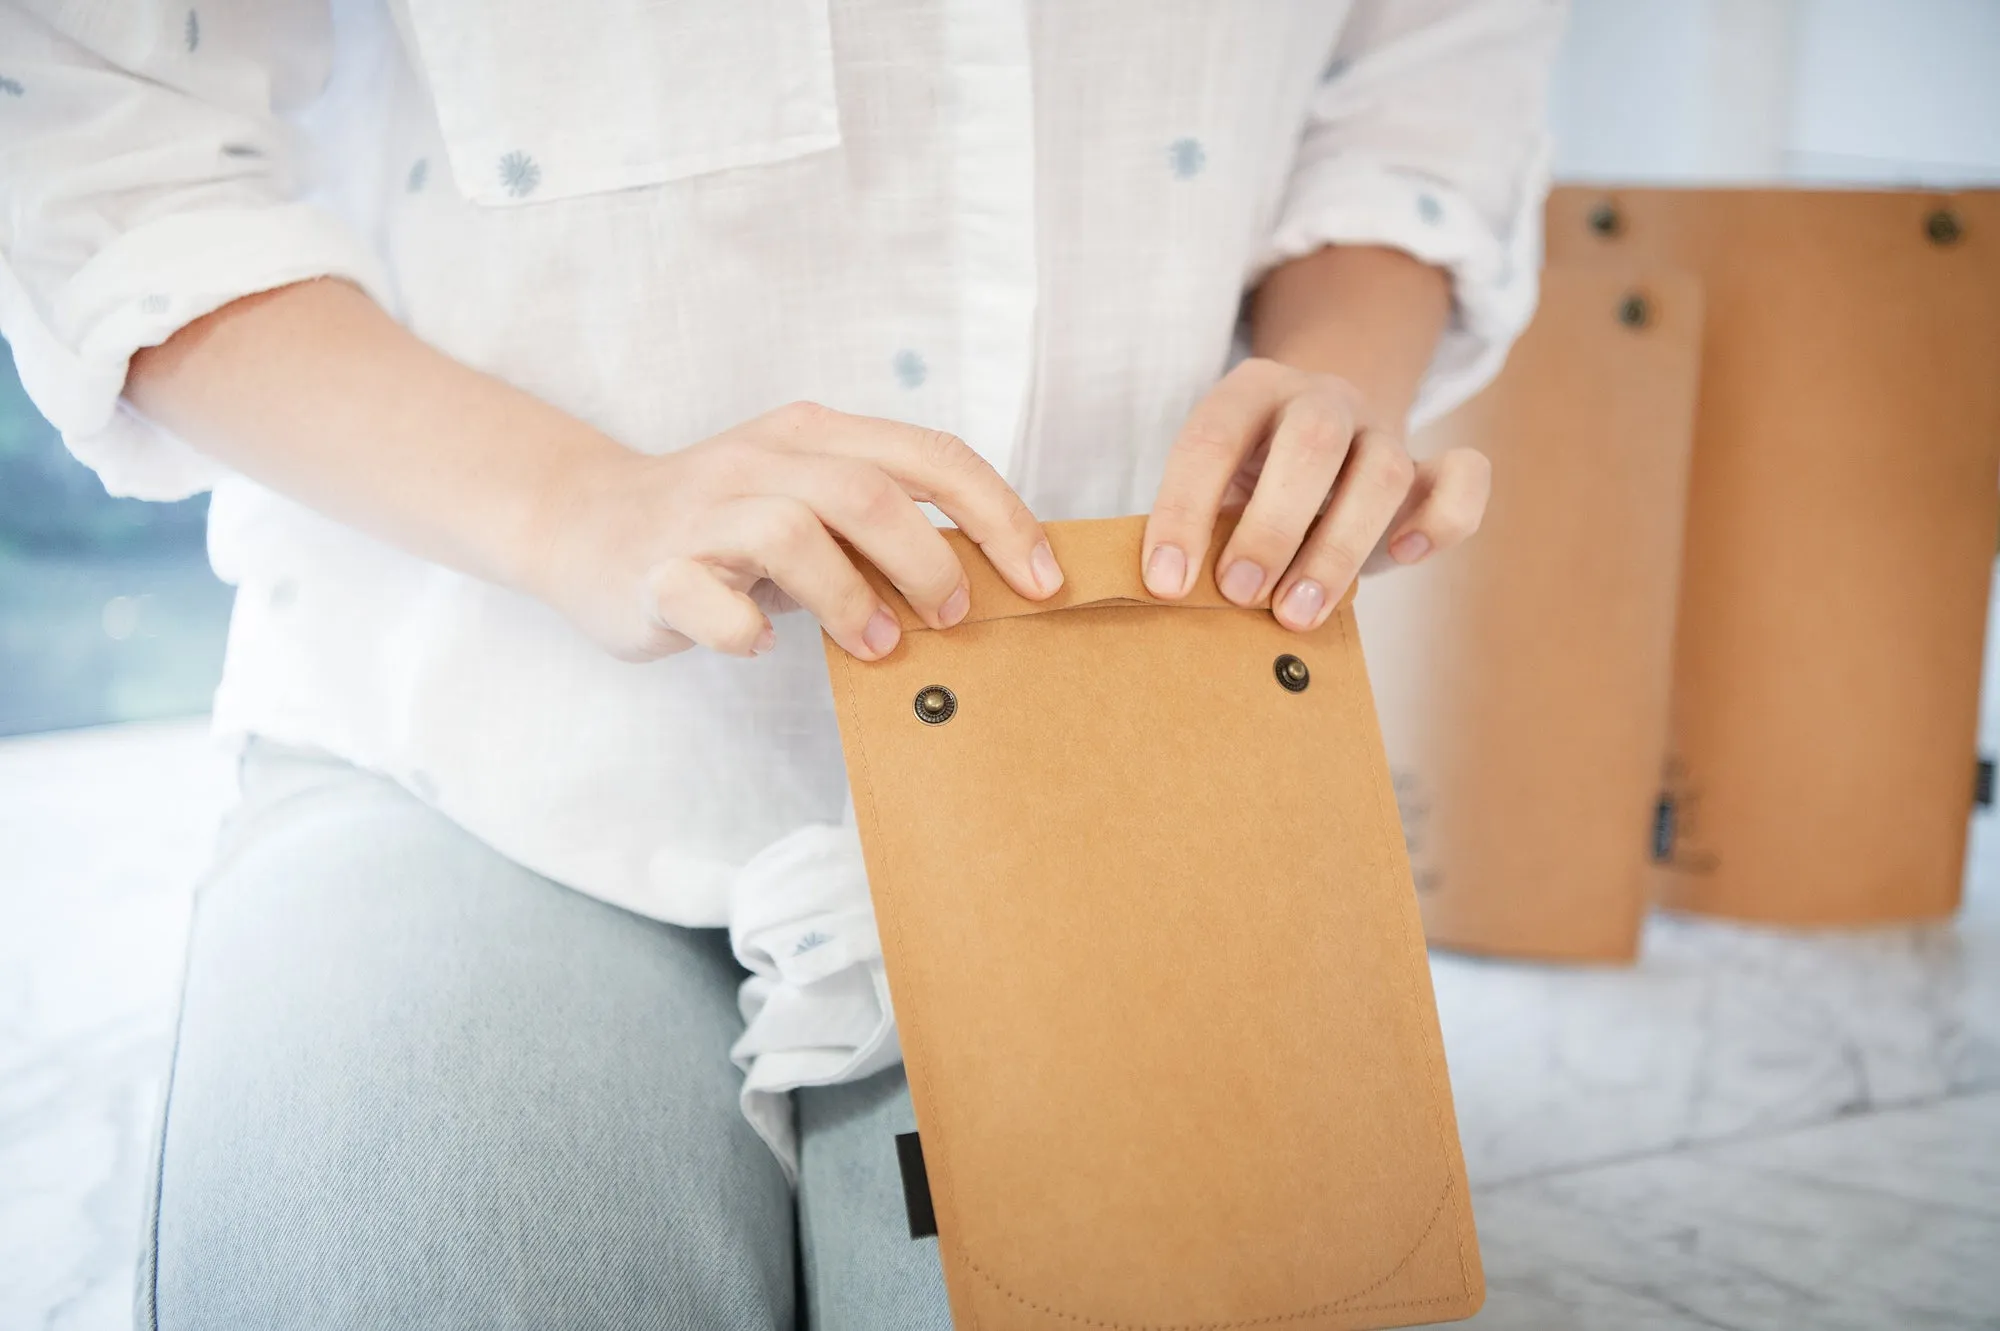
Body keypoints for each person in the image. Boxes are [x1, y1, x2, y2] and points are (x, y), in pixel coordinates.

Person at [0, 1, 1563, 1326]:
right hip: (474, 731)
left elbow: (1418, 85)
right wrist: (575, 506)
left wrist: (1335, 383)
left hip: (1126, 730)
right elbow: (115, 145)